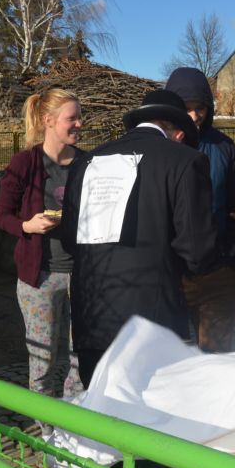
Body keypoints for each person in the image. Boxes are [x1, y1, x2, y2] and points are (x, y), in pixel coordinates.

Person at [61, 89, 220, 385]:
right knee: (150, 405)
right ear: (179, 135)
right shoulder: (186, 161)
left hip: (93, 316)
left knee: (98, 402)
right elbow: (196, 251)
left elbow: (70, 239)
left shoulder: (87, 161)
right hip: (153, 323)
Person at [0, 88, 85, 398]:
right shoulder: (25, 163)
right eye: (72, 118)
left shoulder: (87, 163)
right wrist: (27, 225)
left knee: (81, 360)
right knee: (42, 360)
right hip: (39, 278)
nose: (79, 124)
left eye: (80, 117)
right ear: (48, 120)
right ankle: (45, 423)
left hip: (82, 276)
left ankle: (75, 420)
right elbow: (1, 215)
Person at [164, 67, 235, 352]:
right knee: (170, 356)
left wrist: (231, 255)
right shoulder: (160, 146)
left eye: (200, 108)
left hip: (217, 269)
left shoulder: (224, 147)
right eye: (186, 108)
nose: (194, 116)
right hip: (170, 270)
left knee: (216, 356)